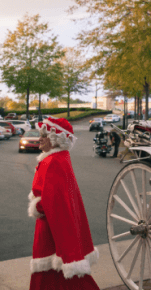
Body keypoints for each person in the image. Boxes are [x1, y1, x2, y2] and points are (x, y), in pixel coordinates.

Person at [27, 117, 99, 289]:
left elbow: (53, 199)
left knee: (50, 265)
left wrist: (37, 206)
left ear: (54, 139)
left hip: (50, 224)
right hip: (54, 221)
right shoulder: (60, 158)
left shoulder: (52, 161)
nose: (40, 139)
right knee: (55, 268)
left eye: (44, 135)